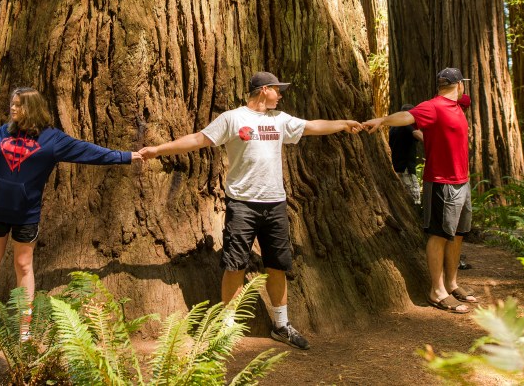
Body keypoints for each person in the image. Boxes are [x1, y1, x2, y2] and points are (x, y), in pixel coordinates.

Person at [138, 71, 362, 350]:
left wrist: (342, 124)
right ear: (264, 89)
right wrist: (158, 150)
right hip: (242, 204)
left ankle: (281, 325)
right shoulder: (233, 118)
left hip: (275, 204)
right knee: (235, 265)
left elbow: (311, 126)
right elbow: (199, 139)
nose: (280, 95)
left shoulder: (279, 120)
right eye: (277, 90)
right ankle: (227, 327)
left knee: (277, 265)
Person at [0, 87, 142, 327]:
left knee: (23, 265)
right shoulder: (3, 132)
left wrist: (125, 156)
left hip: (26, 214)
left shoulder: (53, 139)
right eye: (12, 104)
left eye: (18, 105)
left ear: (32, 108)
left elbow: (88, 151)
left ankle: (25, 321)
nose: (12, 108)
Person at [363, 67, 477, 314]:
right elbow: (407, 117)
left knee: (458, 233)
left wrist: (458, 93)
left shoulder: (459, 105)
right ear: (459, 85)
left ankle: (452, 283)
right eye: (462, 86)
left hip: (462, 181)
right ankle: (436, 291)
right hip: (441, 182)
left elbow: (465, 98)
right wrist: (382, 120)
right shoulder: (433, 107)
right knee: (439, 235)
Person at [388, 105, 423, 205]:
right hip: (406, 167)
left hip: (397, 166)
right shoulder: (406, 125)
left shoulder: (393, 127)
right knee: (414, 198)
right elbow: (416, 133)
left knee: (403, 195)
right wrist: (432, 144)